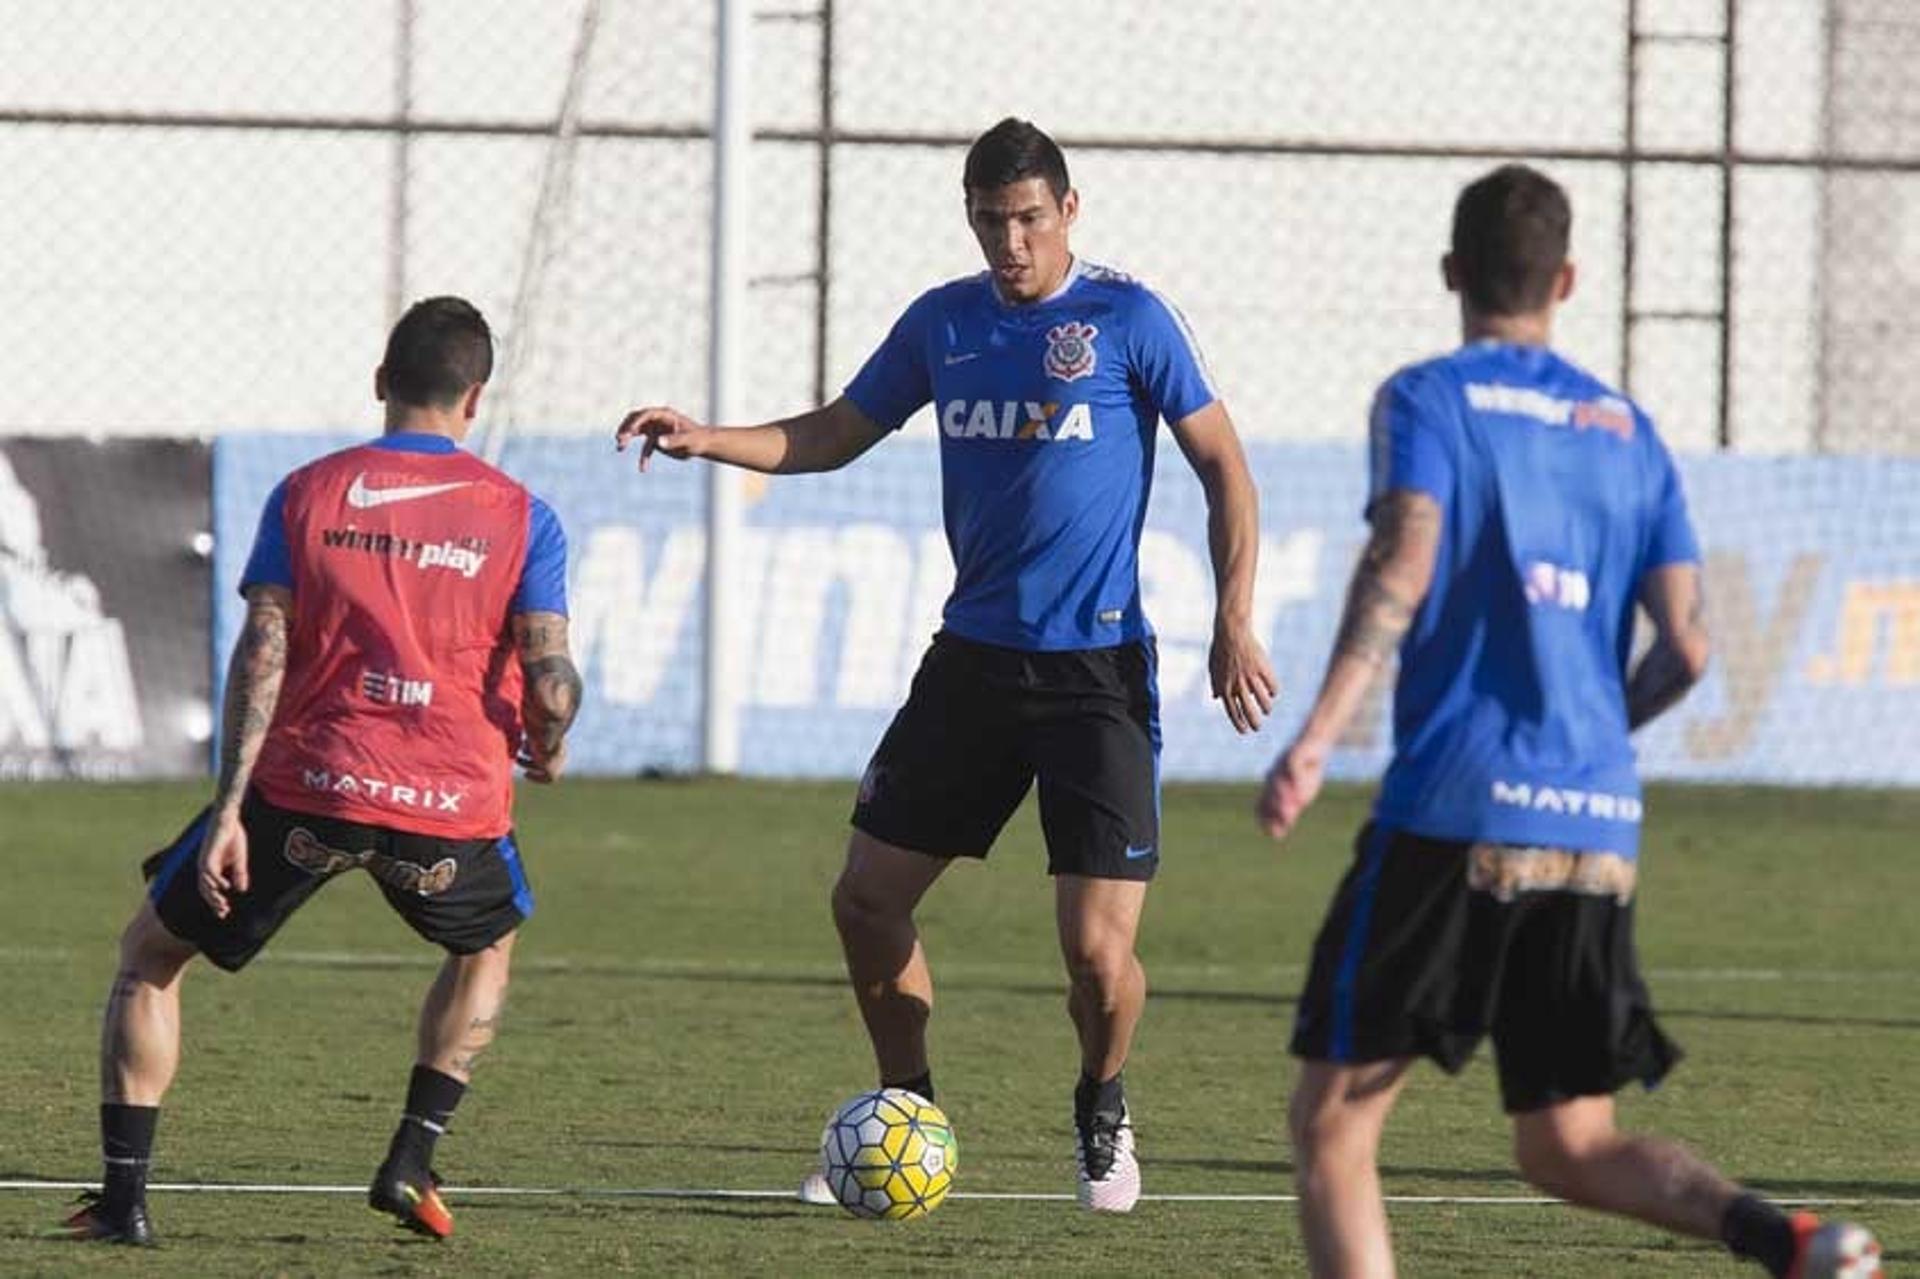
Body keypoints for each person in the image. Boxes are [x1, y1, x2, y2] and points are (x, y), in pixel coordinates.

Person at [615, 117, 1276, 1212]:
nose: (1009, 242)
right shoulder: (944, 322)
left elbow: (1226, 467)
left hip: (1094, 674)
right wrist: (708, 436)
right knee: (866, 902)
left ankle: (1102, 1105)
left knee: (1096, 959)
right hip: (971, 666)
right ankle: (906, 1112)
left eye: (1027, 218)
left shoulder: (1130, 318)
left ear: (1069, 210)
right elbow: (833, 433)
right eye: (989, 220)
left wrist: (1234, 617)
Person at [1257, 165, 1882, 1278]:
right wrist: (1598, 728)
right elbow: (1690, 648)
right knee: (1568, 1141)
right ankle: (1779, 1235)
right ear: (1570, 278)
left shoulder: (1427, 398)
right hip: (1596, 818)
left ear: (1453, 272)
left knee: (1333, 1129)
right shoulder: (1630, 430)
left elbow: (1405, 553)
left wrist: (1315, 735)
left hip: (1458, 806)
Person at [64, 296, 582, 1246]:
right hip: (449, 806)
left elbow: (263, 643)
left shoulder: (308, 492)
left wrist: (227, 810)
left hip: (307, 789)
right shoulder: (523, 517)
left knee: (150, 956)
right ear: (476, 397)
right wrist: (547, 747)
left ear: (382, 383)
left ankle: (124, 1199)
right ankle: (411, 1158)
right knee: (487, 945)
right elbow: (550, 682)